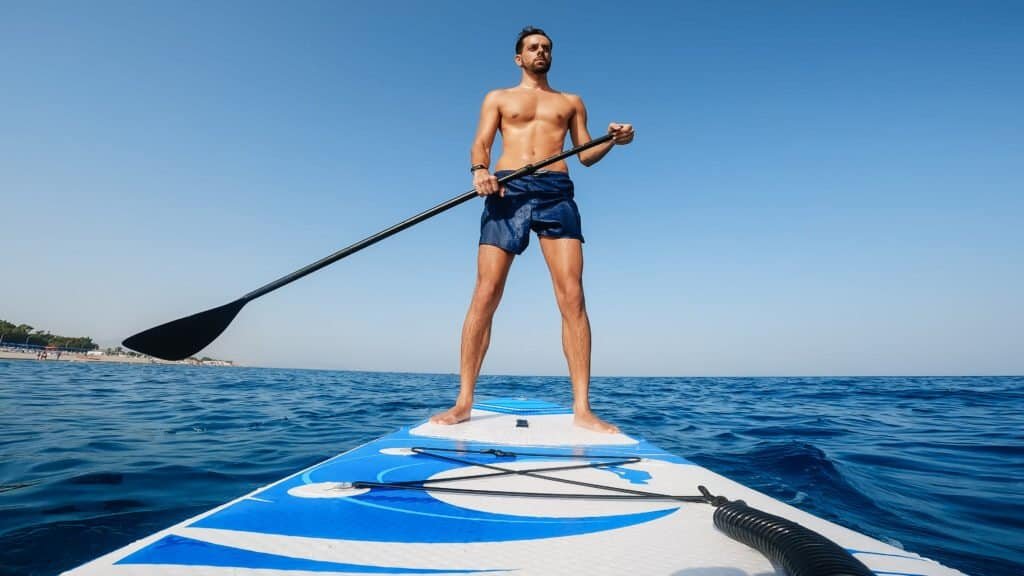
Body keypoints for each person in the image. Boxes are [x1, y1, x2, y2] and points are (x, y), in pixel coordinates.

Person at [431, 26, 634, 433]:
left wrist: (612, 140)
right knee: (486, 293)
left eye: (546, 47)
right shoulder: (499, 97)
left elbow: (585, 154)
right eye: (532, 47)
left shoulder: (570, 101)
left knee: (572, 295)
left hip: (556, 191)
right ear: (518, 58)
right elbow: (481, 143)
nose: (541, 52)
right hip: (508, 188)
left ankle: (582, 409)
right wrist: (479, 171)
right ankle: (464, 402)